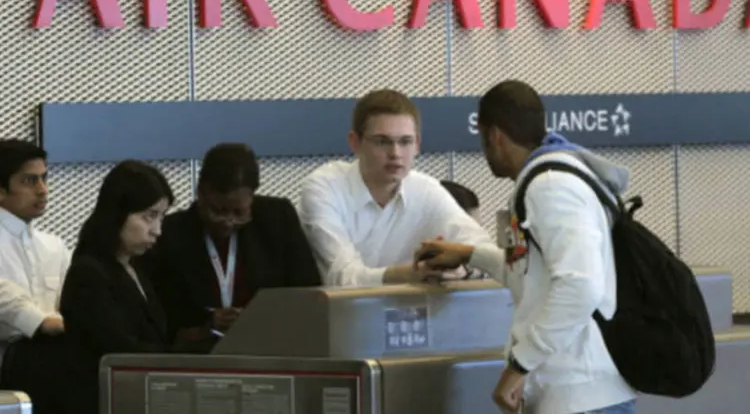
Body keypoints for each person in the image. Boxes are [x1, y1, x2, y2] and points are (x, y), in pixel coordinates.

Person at [414, 80, 636, 414]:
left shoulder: (550, 187)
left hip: (581, 396)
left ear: (494, 136)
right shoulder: (543, 180)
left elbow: (580, 285)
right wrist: (469, 254)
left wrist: (520, 365)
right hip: (570, 395)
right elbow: (532, 273)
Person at [298, 89, 497, 287]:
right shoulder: (324, 188)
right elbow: (342, 277)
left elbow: (484, 251)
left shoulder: (425, 189)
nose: (395, 153)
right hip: (338, 316)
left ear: (417, 144)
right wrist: (409, 274)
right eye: (382, 142)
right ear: (355, 142)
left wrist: (461, 269)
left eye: (405, 141)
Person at [141, 143, 321, 349]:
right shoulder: (170, 234)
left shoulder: (277, 219)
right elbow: (160, 315)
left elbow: (307, 292)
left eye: (239, 213)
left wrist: (258, 318)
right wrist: (207, 325)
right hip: (201, 354)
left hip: (271, 347)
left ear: (252, 198)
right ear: (201, 193)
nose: (228, 221)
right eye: (218, 210)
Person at [59, 160, 174, 414]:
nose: (157, 231)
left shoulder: (137, 268)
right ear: (118, 212)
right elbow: (121, 351)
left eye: (161, 217)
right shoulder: (88, 274)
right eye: (149, 216)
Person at [0, 139, 70, 414]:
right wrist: (42, 322)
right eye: (29, 181)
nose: (43, 190)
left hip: (50, 376)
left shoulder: (55, 246)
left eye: (44, 178)